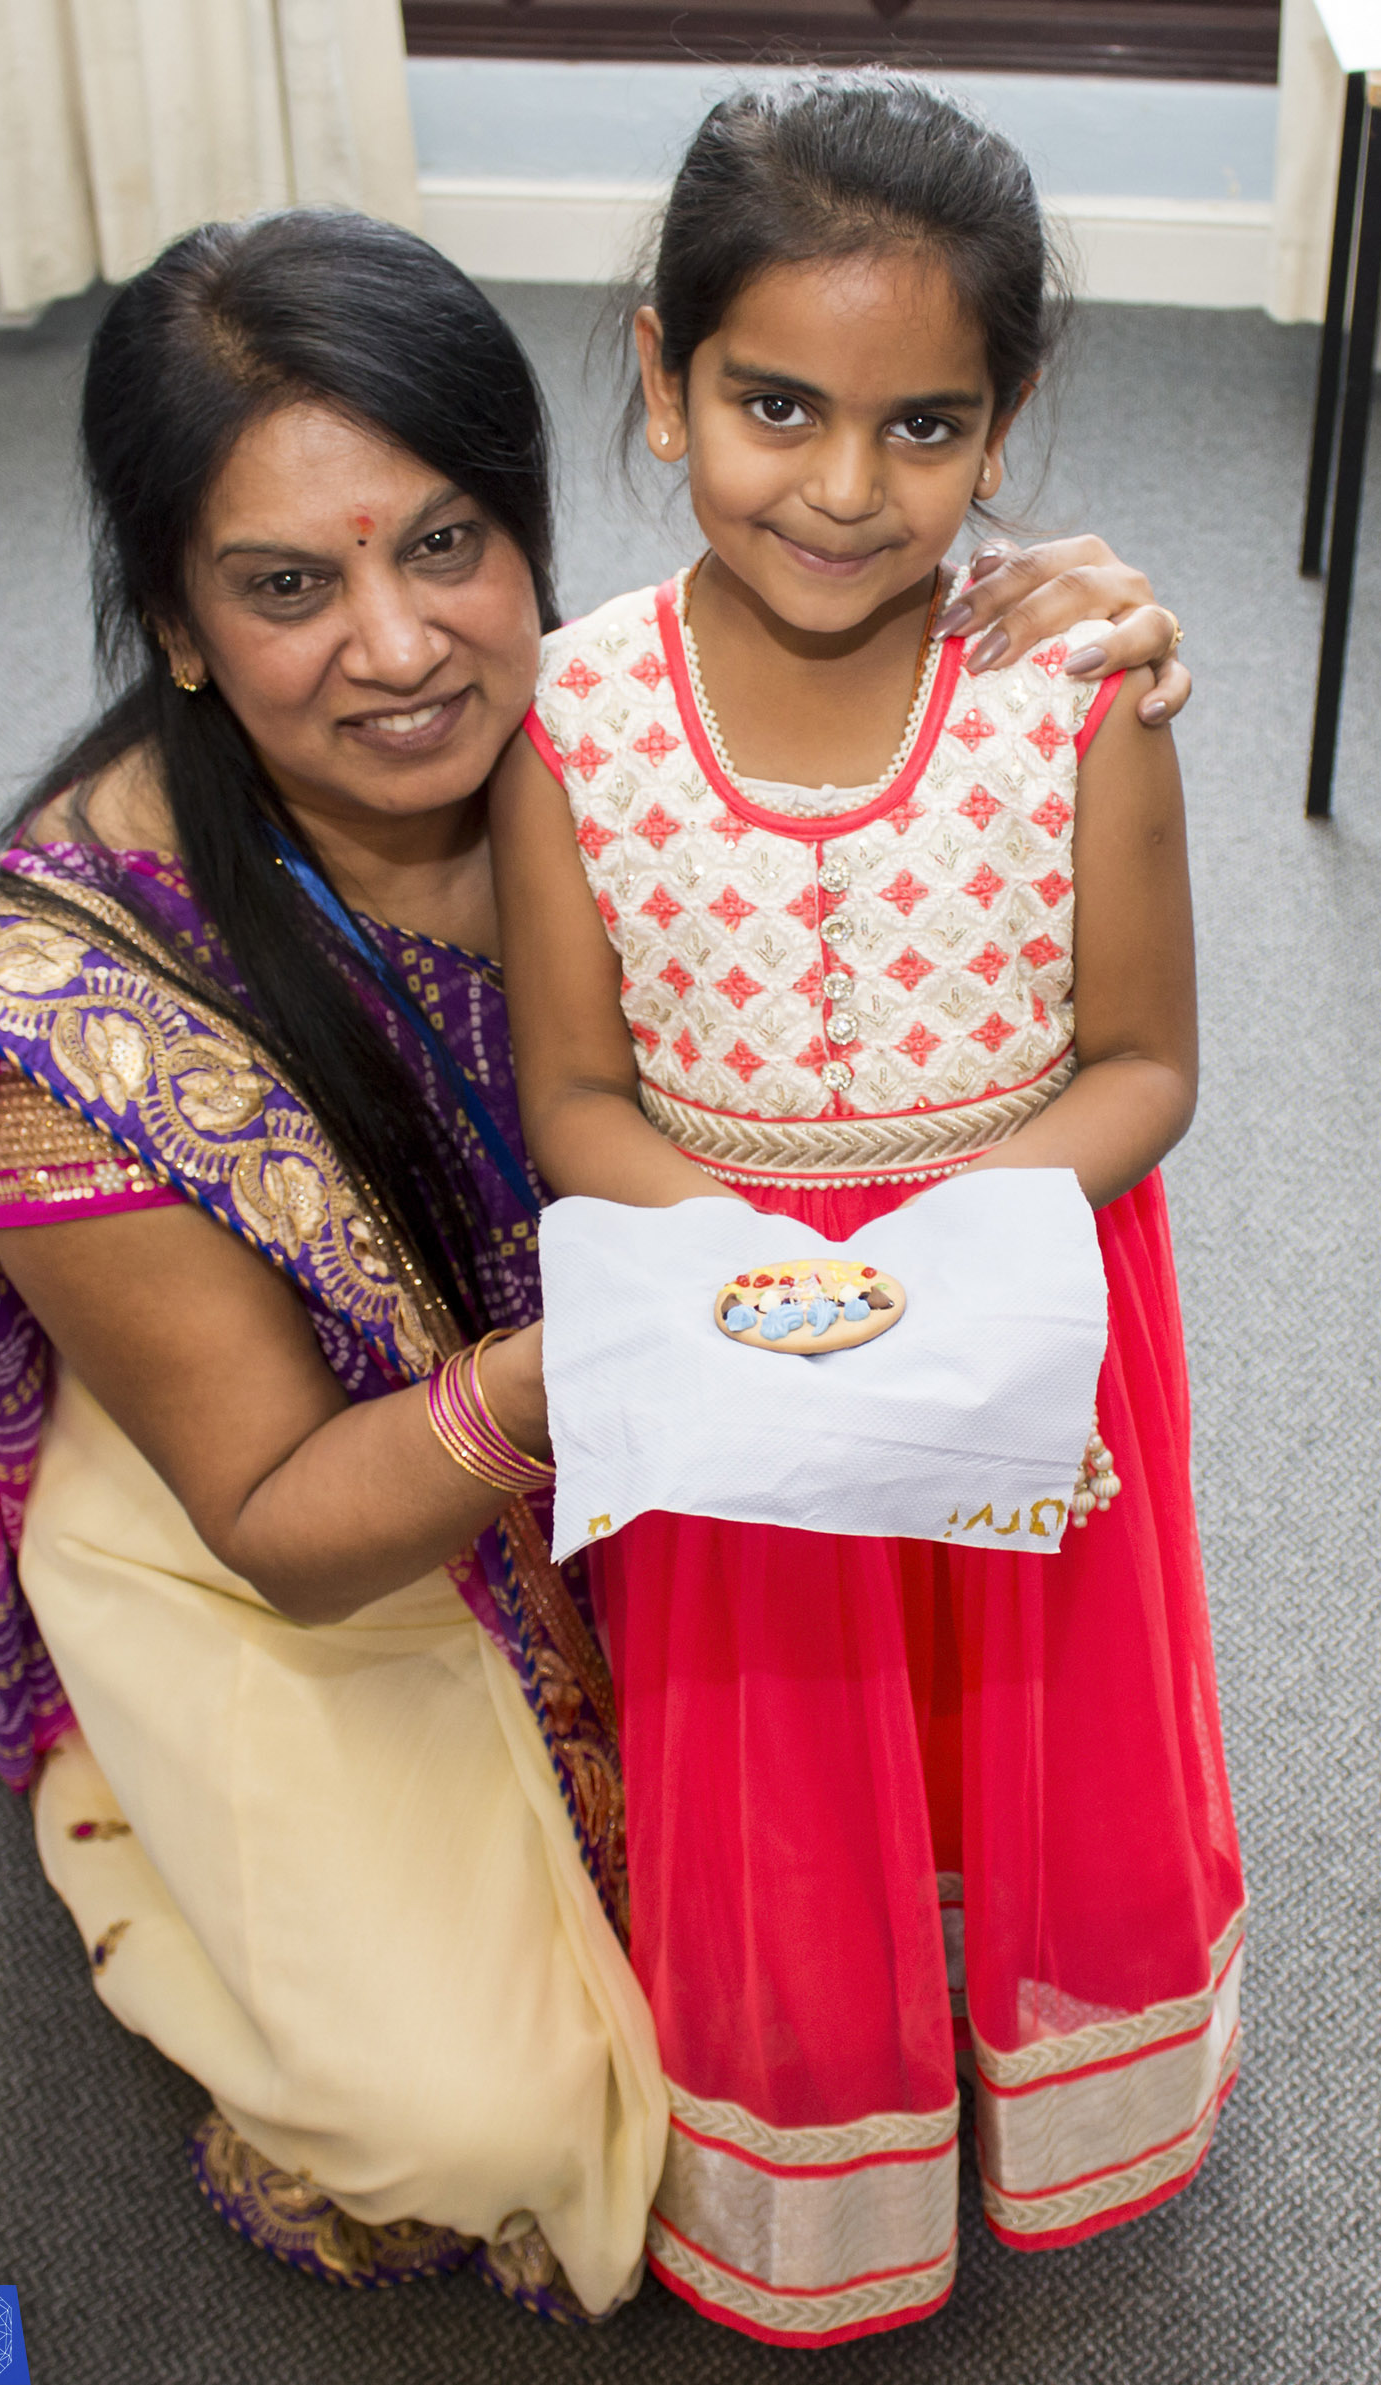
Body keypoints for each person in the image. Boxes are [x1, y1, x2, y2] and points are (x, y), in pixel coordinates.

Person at [0, 202, 1202, 2325]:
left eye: (444, 546)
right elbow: (293, 1526)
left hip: (686, 1393)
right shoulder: (63, 1040)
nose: (397, 650)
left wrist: (1063, 600)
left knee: (851, 1850)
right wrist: (596, 1351)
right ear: (177, 622)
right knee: (506, 2117)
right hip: (317, 1511)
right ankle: (99, 1760)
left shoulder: (604, 738)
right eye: (285, 587)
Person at [493, 74, 1244, 2349]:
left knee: (1026, 1706)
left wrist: (939, 1270)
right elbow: (572, 1092)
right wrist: (782, 1280)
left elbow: (1144, 1062)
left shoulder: (1068, 703)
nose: (840, 487)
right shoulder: (575, 720)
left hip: (1023, 1305)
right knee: (786, 1726)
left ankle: (1055, 2087)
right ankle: (824, 2138)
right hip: (730, 1322)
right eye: (771, 406)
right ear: (657, 374)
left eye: (921, 424)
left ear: (1005, 417)